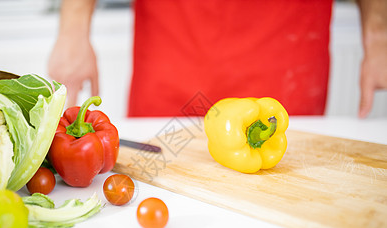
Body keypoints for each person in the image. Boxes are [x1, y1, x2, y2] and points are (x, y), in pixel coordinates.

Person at [48, 0, 387, 118]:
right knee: (162, 176)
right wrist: (74, 29)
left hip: (285, 57)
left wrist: (379, 35)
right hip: (173, 54)